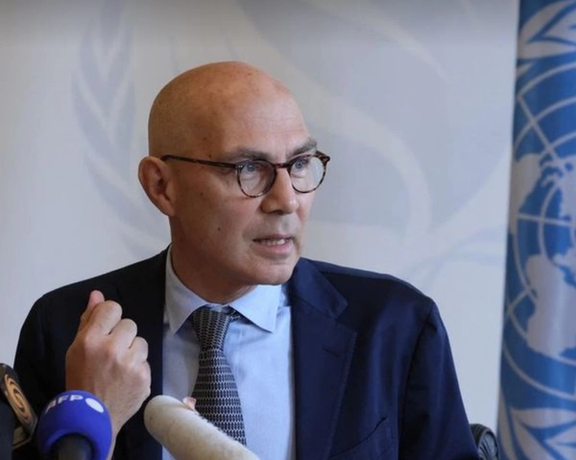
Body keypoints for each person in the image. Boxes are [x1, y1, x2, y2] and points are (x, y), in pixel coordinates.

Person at [13, 61, 479, 460]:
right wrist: (95, 420)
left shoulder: (395, 325)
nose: (287, 200)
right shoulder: (67, 330)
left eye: (300, 164)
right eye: (248, 169)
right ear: (162, 186)